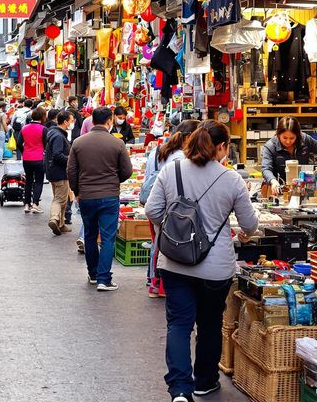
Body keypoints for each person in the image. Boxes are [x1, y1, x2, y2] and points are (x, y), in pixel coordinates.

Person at [144, 120, 258, 401]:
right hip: (215, 268)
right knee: (209, 323)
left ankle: (180, 389)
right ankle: (204, 381)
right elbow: (250, 224)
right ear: (222, 147)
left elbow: (152, 209)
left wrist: (173, 233)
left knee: (179, 324)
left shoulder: (172, 169)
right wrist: (242, 234)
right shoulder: (231, 179)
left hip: (174, 263)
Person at [68, 107, 132, 291]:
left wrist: (77, 191)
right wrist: (113, 181)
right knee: (107, 238)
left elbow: (71, 171)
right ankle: (104, 279)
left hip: (86, 196)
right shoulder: (117, 143)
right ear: (109, 121)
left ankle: (93, 274)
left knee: (89, 235)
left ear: (92, 121)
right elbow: (127, 171)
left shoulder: (78, 143)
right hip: (109, 197)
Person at [139, 120, 201, 298]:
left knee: (157, 243)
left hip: (154, 204)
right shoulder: (181, 159)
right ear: (189, 137)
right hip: (170, 209)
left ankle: (153, 282)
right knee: (168, 245)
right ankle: (160, 285)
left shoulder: (157, 151)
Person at [261, 116, 317, 192]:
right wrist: (273, 181)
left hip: (305, 188)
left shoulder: (305, 140)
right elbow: (266, 169)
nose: (288, 142)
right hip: (281, 189)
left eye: (292, 138)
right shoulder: (270, 146)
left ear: (297, 135)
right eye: (285, 138)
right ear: (278, 134)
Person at [45, 111, 74, 235]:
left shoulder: (54, 132)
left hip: (53, 171)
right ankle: (55, 218)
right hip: (59, 172)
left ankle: (61, 224)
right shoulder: (58, 136)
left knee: (62, 198)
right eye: (72, 120)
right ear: (66, 121)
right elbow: (57, 155)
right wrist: (71, 160)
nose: (73, 122)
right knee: (59, 199)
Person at [16, 107, 47, 214]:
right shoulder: (43, 129)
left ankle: (26, 204)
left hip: (27, 158)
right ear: (43, 117)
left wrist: (25, 151)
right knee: (38, 181)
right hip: (39, 158)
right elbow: (46, 144)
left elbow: (19, 143)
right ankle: (35, 204)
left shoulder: (24, 128)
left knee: (28, 181)